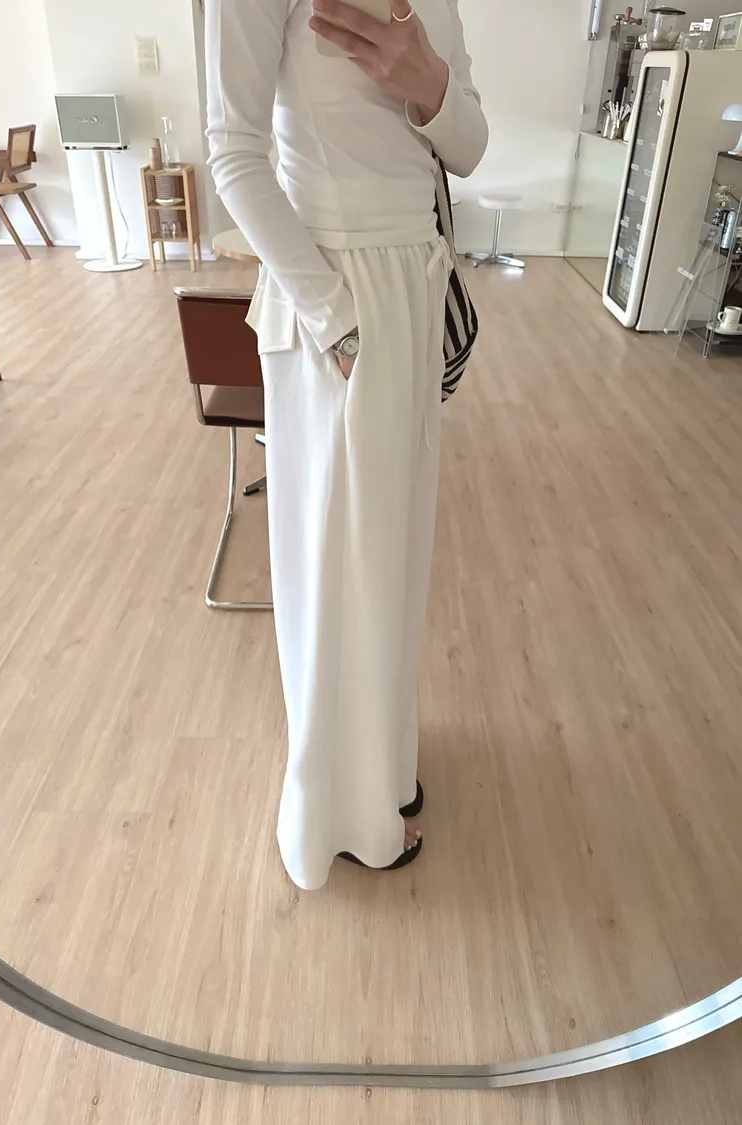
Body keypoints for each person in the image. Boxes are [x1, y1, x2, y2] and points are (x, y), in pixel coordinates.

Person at [205, 0, 488, 890]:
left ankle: (383, 772)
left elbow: (471, 148)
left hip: (414, 282)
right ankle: (336, 814)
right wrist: (337, 321)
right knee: (335, 568)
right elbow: (233, 152)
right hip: (336, 297)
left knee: (394, 559)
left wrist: (429, 84)